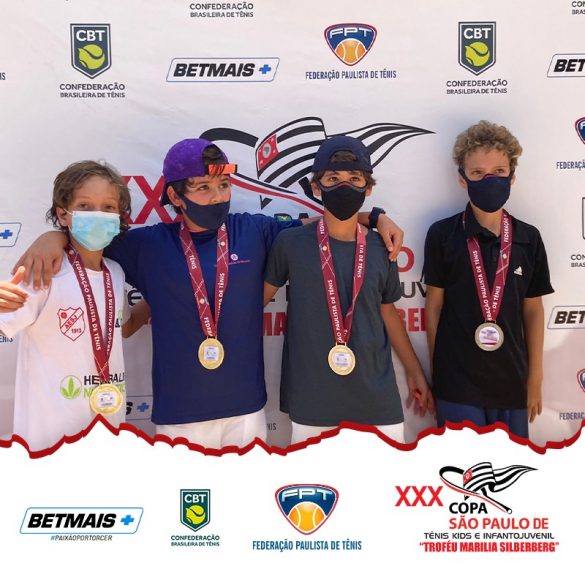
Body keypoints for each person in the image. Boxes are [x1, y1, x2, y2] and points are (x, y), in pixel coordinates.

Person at [13, 138, 405, 449]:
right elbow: (90, 241)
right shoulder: (147, 245)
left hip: (246, 411)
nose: (217, 196)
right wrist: (53, 237)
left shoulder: (255, 231)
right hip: (180, 414)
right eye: (202, 188)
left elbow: (324, 225)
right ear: (175, 197)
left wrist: (375, 216)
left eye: (223, 186)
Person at [263, 136, 432, 444]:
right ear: (316, 187)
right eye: (332, 179)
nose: (344, 186)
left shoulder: (382, 246)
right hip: (312, 401)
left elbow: (388, 313)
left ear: (368, 188)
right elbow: (254, 304)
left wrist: (415, 371)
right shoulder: (290, 244)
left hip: (377, 401)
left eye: (354, 179)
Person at [423, 120, 554, 439]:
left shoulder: (528, 238)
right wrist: (438, 372)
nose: (489, 180)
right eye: (478, 173)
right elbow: (434, 307)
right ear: (462, 179)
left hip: (512, 382)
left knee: (510, 468)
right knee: (462, 467)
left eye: (498, 171)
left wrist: (535, 378)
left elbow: (533, 310)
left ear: (512, 176)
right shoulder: (442, 234)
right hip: (457, 384)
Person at [0, 161, 137, 452]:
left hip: (107, 433)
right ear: (63, 214)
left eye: (108, 207)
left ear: (119, 217)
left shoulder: (115, 272)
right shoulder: (44, 270)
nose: (98, 214)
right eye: (85, 206)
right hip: (49, 442)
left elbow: (124, 326)